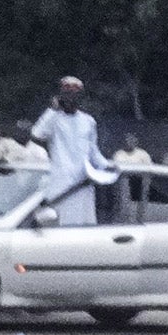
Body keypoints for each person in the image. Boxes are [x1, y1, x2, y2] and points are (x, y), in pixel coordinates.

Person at [28, 76, 108, 226]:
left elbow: (94, 152)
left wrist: (107, 167)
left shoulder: (88, 121)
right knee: (62, 227)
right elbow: (36, 134)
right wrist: (53, 109)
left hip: (83, 182)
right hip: (61, 184)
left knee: (84, 226)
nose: (71, 97)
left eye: (75, 93)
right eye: (67, 93)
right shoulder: (54, 118)